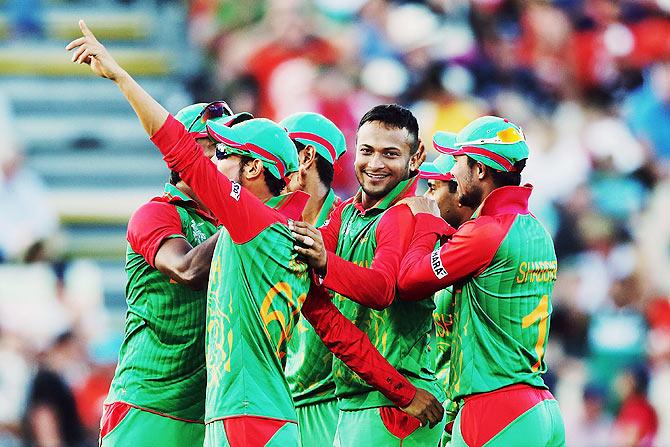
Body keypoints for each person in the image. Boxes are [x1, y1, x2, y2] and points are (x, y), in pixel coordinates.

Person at [66, 21, 443, 447]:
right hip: (265, 417)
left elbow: (180, 150)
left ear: (251, 169)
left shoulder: (253, 223)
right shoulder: (291, 235)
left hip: (240, 419)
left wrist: (122, 77)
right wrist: (404, 393)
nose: (215, 162)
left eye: (224, 152)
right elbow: (338, 331)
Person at [398, 116, 566, 446]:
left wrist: (426, 222)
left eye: (458, 161)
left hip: (494, 411)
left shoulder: (485, 232)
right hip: (539, 408)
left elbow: (408, 281)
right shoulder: (536, 230)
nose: (453, 172)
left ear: (479, 170)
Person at [290, 105, 447, 446]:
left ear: (415, 157)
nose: (375, 164)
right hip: (360, 398)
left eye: (390, 154)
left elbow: (381, 289)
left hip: (398, 404)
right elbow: (307, 251)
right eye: (367, 151)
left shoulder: (403, 214)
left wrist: (324, 262)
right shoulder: (346, 213)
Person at [99, 102, 245, 447]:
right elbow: (186, 269)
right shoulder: (156, 213)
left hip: (207, 411)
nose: (237, 161)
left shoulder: (225, 223)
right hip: (147, 405)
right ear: (189, 156)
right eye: (223, 150)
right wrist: (251, 216)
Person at [280, 112, 347, 447]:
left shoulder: (349, 225)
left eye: (281, 150)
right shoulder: (268, 222)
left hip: (330, 406)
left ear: (305, 156)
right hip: (274, 403)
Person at [417, 152, 475, 445]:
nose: (426, 198)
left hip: (465, 412)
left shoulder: (473, 249)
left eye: (433, 188)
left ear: (459, 194)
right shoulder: (443, 246)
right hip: (441, 410)